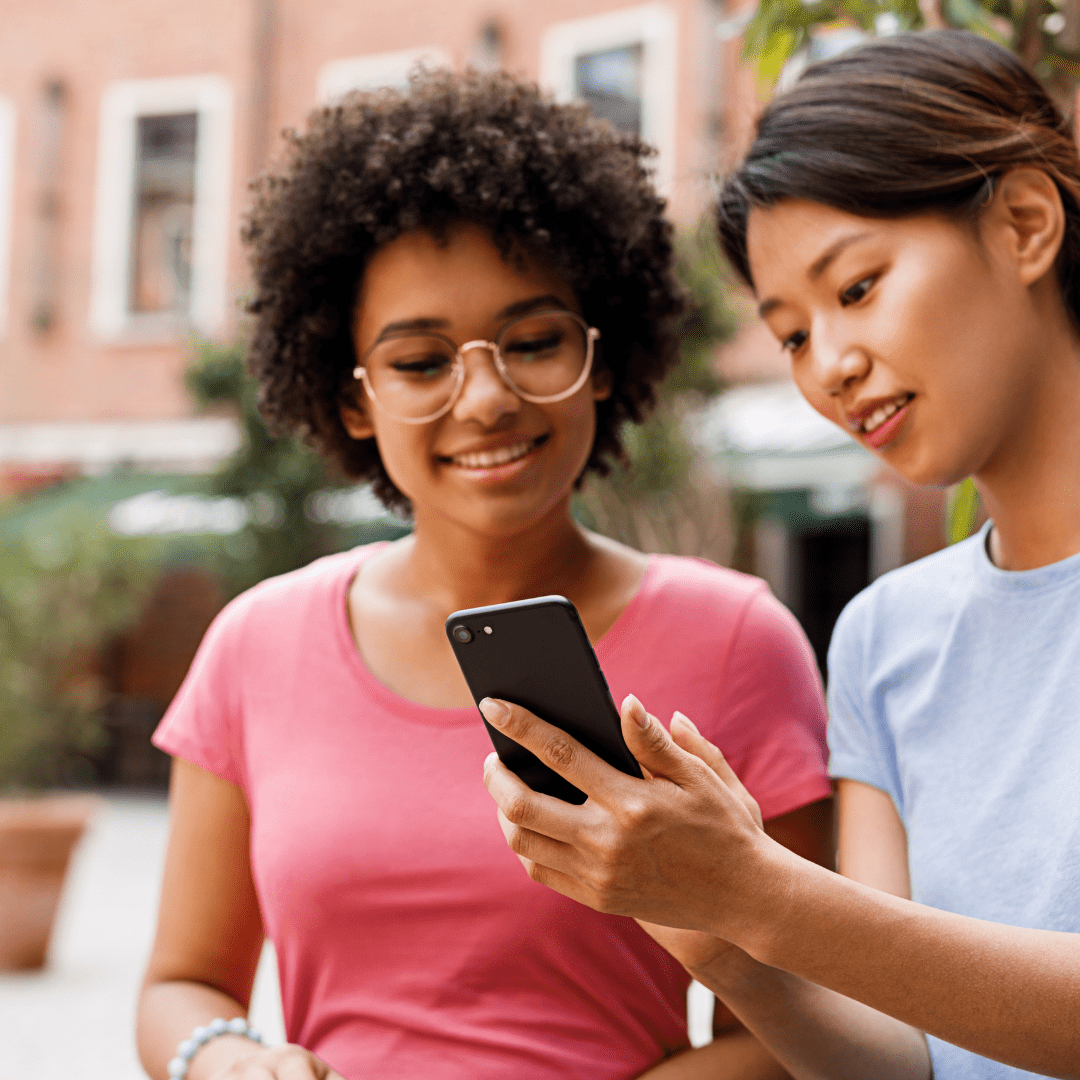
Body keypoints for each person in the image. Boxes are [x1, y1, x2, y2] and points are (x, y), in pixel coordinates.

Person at [136, 69, 835, 1080]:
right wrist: (225, 1059)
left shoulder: (735, 640)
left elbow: (802, 1030)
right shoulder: (257, 643)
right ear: (354, 399)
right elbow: (181, 982)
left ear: (601, 358)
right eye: (422, 362)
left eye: (535, 341)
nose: (487, 399)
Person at [482, 30, 1080, 1080]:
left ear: (1025, 225)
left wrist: (763, 891)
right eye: (792, 334)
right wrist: (723, 938)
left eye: (856, 288)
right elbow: (906, 1064)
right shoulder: (884, 637)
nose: (833, 368)